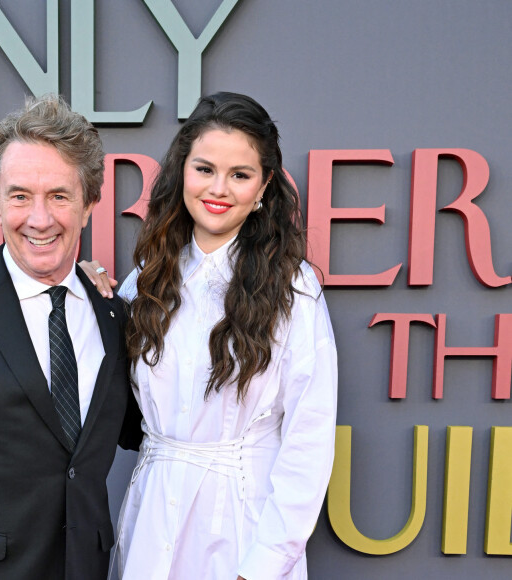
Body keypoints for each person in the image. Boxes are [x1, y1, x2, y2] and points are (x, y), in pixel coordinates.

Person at [87, 91, 337, 579]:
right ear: (182, 172)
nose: (218, 188)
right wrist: (92, 300)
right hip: (151, 514)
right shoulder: (148, 277)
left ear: (264, 185)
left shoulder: (293, 287)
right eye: (204, 169)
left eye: (239, 175)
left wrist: (261, 566)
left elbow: (308, 438)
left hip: (241, 529)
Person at [0, 95, 140, 579]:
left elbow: (145, 430)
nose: (40, 219)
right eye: (20, 195)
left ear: (90, 205)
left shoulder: (113, 314)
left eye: (59, 196)